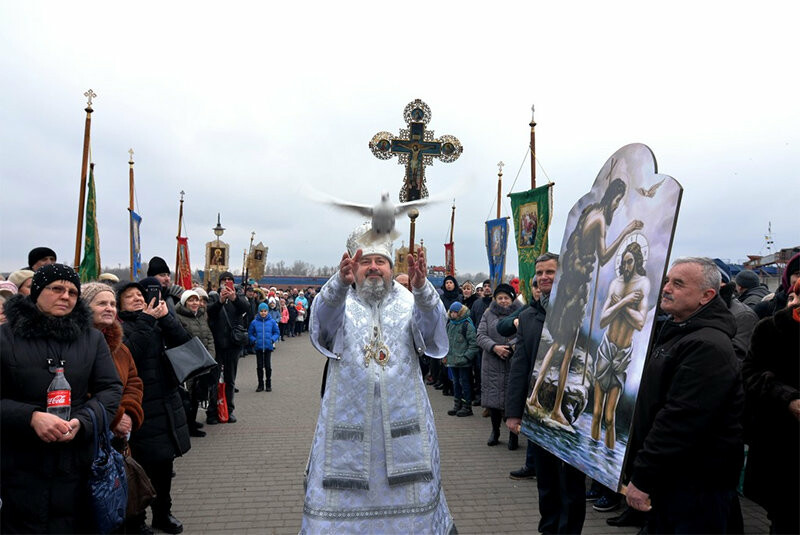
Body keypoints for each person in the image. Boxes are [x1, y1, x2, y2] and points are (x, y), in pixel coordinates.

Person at [301, 223, 454, 534]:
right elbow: (321, 328)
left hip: (404, 428)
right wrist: (337, 286)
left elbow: (434, 336)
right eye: (365, 261)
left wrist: (423, 289)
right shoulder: (339, 300)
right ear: (352, 267)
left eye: (380, 262)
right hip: (347, 428)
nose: (373, 268)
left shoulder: (409, 301)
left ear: (389, 266)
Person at [625, 257, 744, 533]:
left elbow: (680, 421)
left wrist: (643, 476)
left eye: (678, 284)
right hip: (675, 481)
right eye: (667, 281)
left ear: (707, 296)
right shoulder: (679, 332)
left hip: (694, 486)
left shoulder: (706, 346)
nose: (666, 288)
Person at [1, 264, 122, 533]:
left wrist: (83, 421)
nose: (65, 296)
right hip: (20, 466)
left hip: (76, 463)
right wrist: (30, 417)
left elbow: (111, 389)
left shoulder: (91, 339)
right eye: (56, 289)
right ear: (35, 291)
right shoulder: (5, 338)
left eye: (72, 292)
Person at [530, 178, 642, 430]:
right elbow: (603, 256)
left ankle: (535, 395)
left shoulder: (589, 212)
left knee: (559, 344)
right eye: (618, 200)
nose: (617, 204)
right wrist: (627, 231)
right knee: (567, 349)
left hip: (572, 280)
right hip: (579, 285)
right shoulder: (601, 218)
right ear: (614, 198)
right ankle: (556, 408)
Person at [117, 277, 192, 534]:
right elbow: (127, 356)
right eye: (130, 297)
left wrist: (166, 317)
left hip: (165, 403)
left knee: (164, 465)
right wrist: (148, 321)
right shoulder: (119, 327)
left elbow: (186, 344)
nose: (138, 299)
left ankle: (163, 513)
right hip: (137, 407)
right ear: (119, 304)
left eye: (140, 295)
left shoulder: (158, 321)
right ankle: (136, 519)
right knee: (137, 467)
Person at [741, 278, 800, 534]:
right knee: (784, 518)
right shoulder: (772, 330)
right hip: (782, 442)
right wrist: (788, 398)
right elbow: (750, 373)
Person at [592, 241, 650, 450]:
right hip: (606, 348)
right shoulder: (615, 284)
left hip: (622, 354)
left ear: (637, 261)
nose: (626, 267)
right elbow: (602, 320)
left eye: (630, 262)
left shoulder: (643, 284)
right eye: (624, 262)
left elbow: (640, 322)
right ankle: (591, 454)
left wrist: (620, 305)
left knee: (610, 416)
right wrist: (625, 302)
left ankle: (608, 459)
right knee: (597, 412)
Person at [81, 282, 144, 442]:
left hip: (119, 440)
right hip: (88, 433)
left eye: (113, 304)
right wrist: (116, 417)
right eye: (102, 303)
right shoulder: (75, 346)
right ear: (84, 307)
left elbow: (133, 383)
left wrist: (129, 413)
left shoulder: (120, 349)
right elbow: (81, 389)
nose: (109, 308)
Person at [477, 282, 521, 448]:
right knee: (493, 402)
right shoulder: (488, 314)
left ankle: (513, 436)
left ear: (512, 299)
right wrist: (494, 347)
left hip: (512, 361)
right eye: (500, 298)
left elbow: (524, 334)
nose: (503, 301)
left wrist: (511, 346)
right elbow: (480, 335)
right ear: (495, 299)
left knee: (513, 401)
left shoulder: (520, 312)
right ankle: (495, 431)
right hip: (492, 364)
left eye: (506, 298)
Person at [205, 271, 249, 424]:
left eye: (230, 279)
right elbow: (209, 312)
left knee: (230, 380)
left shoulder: (238, 295)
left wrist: (234, 298)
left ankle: (229, 410)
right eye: (224, 280)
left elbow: (246, 308)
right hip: (217, 345)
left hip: (232, 345)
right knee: (214, 379)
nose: (227, 282)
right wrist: (220, 302)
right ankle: (212, 412)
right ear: (220, 282)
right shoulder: (213, 296)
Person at [175, 289, 216, 437]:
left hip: (203, 362)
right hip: (188, 363)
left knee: (197, 394)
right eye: (191, 300)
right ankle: (188, 426)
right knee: (189, 394)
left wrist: (210, 356)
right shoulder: (178, 317)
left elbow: (209, 337)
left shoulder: (201, 315)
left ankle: (192, 422)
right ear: (185, 302)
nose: (195, 303)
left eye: (196, 300)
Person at [444, 301, 479, 417]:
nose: (453, 314)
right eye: (452, 312)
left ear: (460, 313)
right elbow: (446, 342)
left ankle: (466, 406)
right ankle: (457, 404)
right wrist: (445, 356)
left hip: (463, 362)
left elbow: (473, 344)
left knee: (465, 383)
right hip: (453, 361)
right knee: (455, 383)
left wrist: (466, 357)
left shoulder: (467, 325)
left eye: (455, 312)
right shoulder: (450, 325)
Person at [249, 303, 280, 392]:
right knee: (259, 366)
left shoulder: (272, 322)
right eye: (261, 311)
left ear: (267, 311)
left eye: (265, 311)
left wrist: (272, 340)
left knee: (268, 366)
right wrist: (254, 340)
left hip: (268, 347)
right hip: (258, 347)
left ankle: (268, 383)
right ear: (259, 312)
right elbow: (250, 333)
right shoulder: (254, 322)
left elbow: (276, 332)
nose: (263, 313)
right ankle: (260, 384)